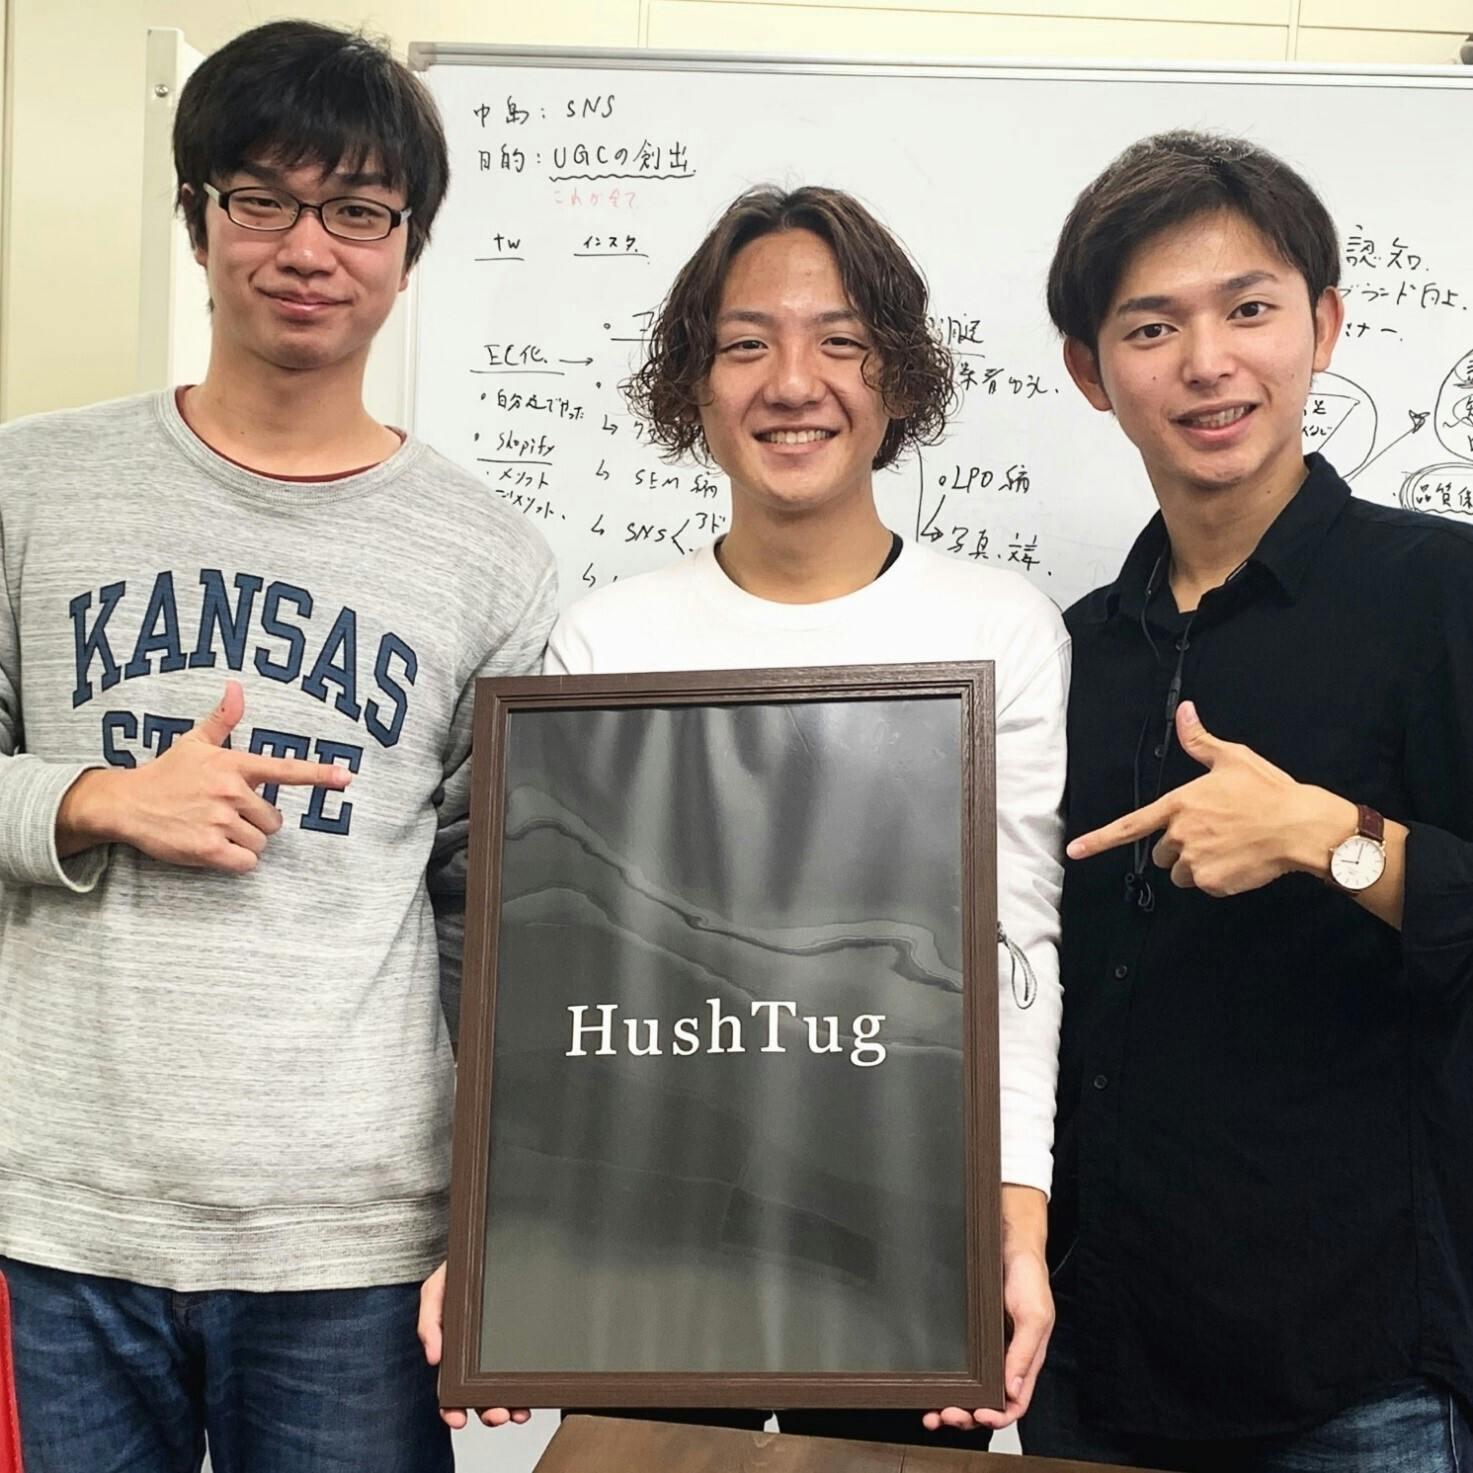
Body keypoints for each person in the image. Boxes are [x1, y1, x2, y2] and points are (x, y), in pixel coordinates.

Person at [420, 183, 1068, 1444]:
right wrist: (499, 1245)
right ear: (694, 385)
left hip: (902, 1237)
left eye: (841, 341)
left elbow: (1015, 947)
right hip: (655, 1230)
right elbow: (555, 985)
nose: (793, 383)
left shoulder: (1000, 630)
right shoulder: (609, 640)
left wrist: (1015, 1221)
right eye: (744, 344)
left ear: (898, 376)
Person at [0, 21, 555, 1473]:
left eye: (358, 210)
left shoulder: (491, 557)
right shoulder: (28, 486)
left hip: (350, 1242)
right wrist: (96, 798)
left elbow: (489, 916)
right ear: (198, 219)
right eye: (264, 199)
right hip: (62, 1218)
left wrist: (490, 1223)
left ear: (407, 247)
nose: (309, 247)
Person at [1018, 130, 1473, 1472]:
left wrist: (1336, 842)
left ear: (1321, 327)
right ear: (1091, 373)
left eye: (1250, 310)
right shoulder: (1069, 652)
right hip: (1097, 1364)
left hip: (1356, 1377)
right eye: (1152, 327)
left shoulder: (1439, 596)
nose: (1208, 362)